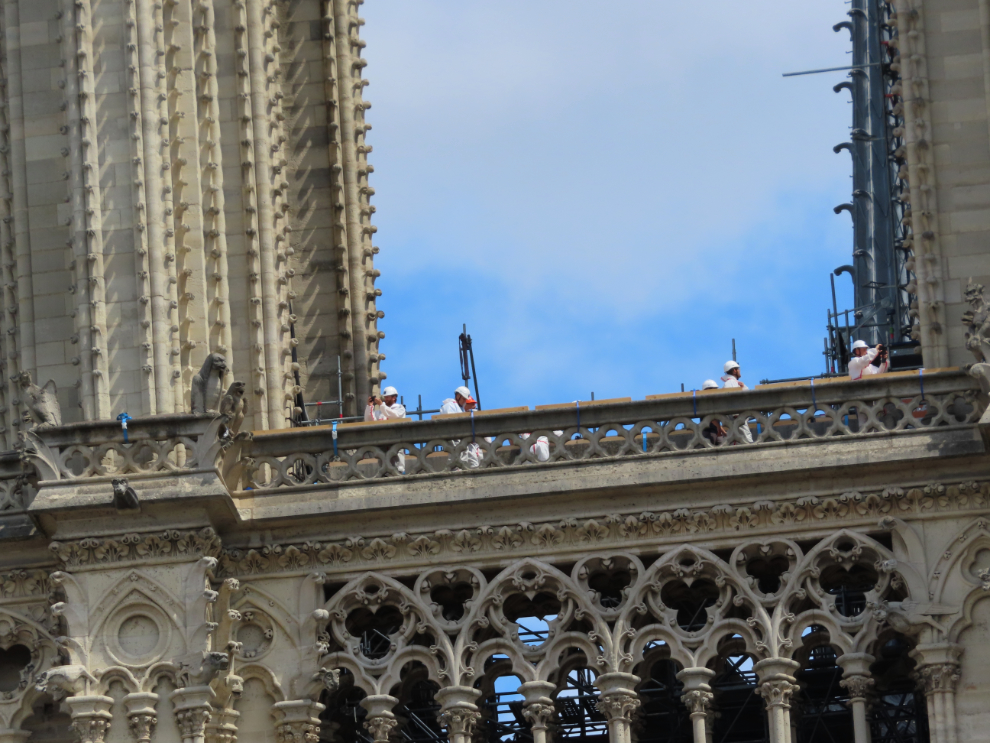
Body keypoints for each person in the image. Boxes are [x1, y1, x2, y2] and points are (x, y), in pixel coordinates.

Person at [363, 386, 406, 474]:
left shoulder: (399, 408)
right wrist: (369, 406)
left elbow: (394, 416)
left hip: (396, 439)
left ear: (394, 397)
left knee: (398, 463)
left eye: (387, 397)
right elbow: (369, 420)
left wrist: (381, 405)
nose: (385, 399)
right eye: (385, 397)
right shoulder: (381, 411)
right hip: (382, 440)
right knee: (383, 462)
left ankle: (400, 473)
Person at [438, 386, 482, 468]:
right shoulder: (450, 406)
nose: (465, 401)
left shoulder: (460, 408)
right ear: (458, 396)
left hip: (461, 438)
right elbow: (450, 422)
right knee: (456, 456)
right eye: (463, 399)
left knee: (464, 456)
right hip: (454, 437)